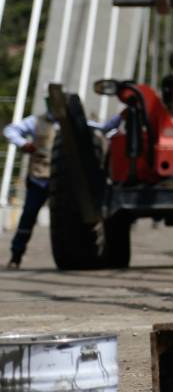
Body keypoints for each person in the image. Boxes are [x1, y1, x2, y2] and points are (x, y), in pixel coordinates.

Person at [3, 103, 121, 269]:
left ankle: (77, 255)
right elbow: (10, 130)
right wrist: (22, 143)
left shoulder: (74, 125)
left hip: (65, 185)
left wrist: (122, 114)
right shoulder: (35, 121)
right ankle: (16, 256)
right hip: (40, 179)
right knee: (28, 217)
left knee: (71, 220)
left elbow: (105, 128)